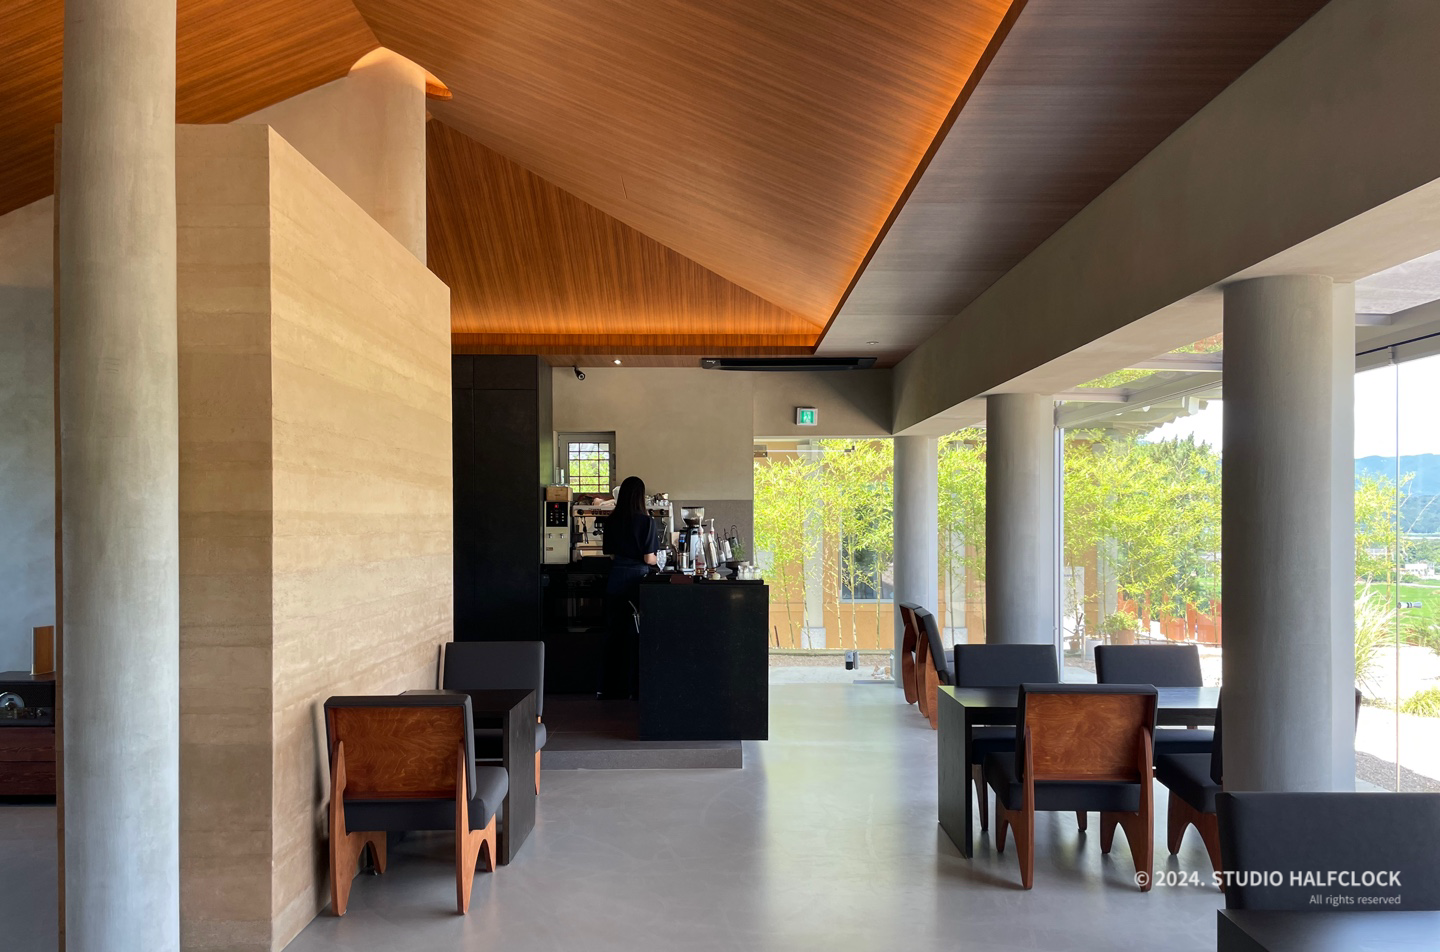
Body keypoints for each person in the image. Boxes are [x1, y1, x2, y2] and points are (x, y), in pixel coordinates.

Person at [599, 476, 659, 698]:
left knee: (614, 632)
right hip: (637, 581)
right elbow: (649, 559)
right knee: (636, 633)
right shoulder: (646, 521)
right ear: (640, 497)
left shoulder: (611, 520)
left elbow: (611, 554)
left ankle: (609, 688)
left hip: (616, 579)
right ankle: (634, 687)